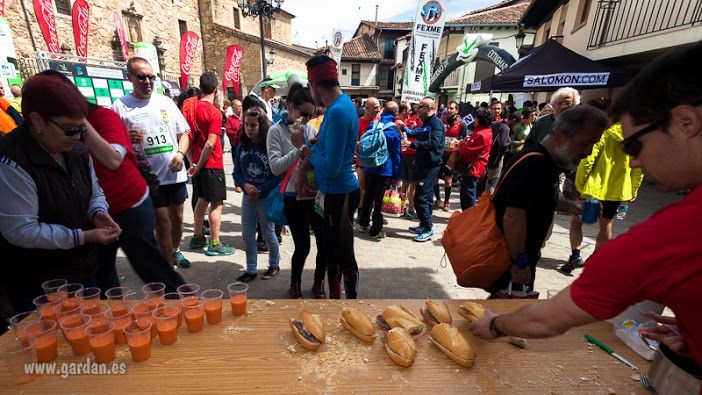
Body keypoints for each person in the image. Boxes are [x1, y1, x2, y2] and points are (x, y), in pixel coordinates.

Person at [471, 43, 702, 374]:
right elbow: (514, 214)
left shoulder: (676, 232)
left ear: (685, 123)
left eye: (635, 145)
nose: (634, 161)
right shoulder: (536, 161)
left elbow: (551, 318)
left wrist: (496, 327)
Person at [0, 74, 122, 312]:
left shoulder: (76, 149)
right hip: (38, 284)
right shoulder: (12, 161)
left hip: (83, 271)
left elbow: (94, 192)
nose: (77, 137)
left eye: (81, 129)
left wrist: (98, 212)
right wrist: (83, 237)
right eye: (69, 130)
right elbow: (21, 231)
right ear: (37, 121)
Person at [487, 105, 608, 295]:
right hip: (510, 257)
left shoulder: (548, 162)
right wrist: (519, 263)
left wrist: (571, 205)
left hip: (519, 256)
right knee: (505, 314)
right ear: (560, 137)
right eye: (586, 143)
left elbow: (536, 198)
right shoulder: (535, 163)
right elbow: (514, 216)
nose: (589, 152)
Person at [112, 57, 191, 268]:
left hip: (174, 172)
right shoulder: (120, 106)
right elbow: (113, 142)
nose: (147, 81)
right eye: (141, 77)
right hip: (147, 175)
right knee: (162, 222)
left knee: (178, 220)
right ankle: (167, 267)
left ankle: (174, 251)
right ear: (130, 77)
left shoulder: (165, 102)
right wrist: (127, 139)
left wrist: (181, 155)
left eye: (151, 77)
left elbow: (184, 133)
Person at [303, 55, 361, 299]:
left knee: (341, 255)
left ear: (315, 85)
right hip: (335, 192)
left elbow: (333, 167)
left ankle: (347, 306)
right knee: (331, 252)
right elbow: (332, 151)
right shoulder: (341, 106)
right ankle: (340, 304)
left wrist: (309, 153)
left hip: (339, 194)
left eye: (309, 86)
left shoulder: (337, 111)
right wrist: (318, 145)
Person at [559, 121, 644, 274]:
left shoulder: (604, 133)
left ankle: (575, 256)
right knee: (606, 224)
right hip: (617, 190)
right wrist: (633, 189)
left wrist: (580, 184)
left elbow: (588, 160)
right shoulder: (636, 136)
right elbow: (639, 167)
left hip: (592, 188)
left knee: (576, 221)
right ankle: (596, 260)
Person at [267, 82, 326, 299]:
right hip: (293, 196)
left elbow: (319, 161)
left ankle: (319, 282)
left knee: (324, 242)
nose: (306, 119)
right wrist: (300, 147)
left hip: (315, 193)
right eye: (303, 113)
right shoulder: (275, 131)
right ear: (291, 105)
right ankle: (295, 283)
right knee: (303, 245)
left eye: (310, 115)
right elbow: (275, 167)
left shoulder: (311, 128)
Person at [176, 73, 234, 256]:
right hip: (211, 163)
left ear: (200, 88)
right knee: (217, 203)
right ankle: (215, 243)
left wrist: (193, 163)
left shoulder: (191, 108)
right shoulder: (213, 112)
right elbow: (210, 143)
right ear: (216, 89)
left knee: (201, 200)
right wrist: (199, 165)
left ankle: (197, 236)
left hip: (198, 163)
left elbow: (187, 138)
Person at [233, 107, 281, 282]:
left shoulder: (269, 146)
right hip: (248, 197)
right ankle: (251, 269)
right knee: (247, 234)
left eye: (253, 125)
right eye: (246, 125)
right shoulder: (241, 147)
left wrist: (260, 191)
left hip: (264, 196)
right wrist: (244, 185)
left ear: (261, 126)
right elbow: (236, 173)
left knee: (268, 233)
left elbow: (277, 175)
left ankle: (274, 264)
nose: (249, 128)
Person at [400, 97, 445, 242]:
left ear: (430, 108)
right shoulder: (426, 122)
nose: (417, 109)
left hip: (430, 165)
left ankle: (427, 229)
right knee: (426, 195)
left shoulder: (436, 124)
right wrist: (404, 128)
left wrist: (412, 145)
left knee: (421, 197)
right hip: (422, 163)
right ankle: (424, 224)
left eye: (421, 106)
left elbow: (434, 143)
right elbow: (417, 133)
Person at [357, 101, 402, 239]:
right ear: (395, 113)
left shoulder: (374, 124)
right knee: (380, 200)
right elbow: (396, 154)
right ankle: (375, 230)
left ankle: (363, 223)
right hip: (385, 169)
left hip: (370, 166)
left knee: (368, 196)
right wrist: (396, 175)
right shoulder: (394, 129)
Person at [448, 107, 493, 210]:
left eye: (476, 118)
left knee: (468, 194)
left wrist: (460, 145)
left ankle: (468, 216)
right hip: (474, 166)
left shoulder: (482, 133)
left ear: (480, 119)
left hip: (473, 167)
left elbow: (467, 150)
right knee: (467, 191)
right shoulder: (484, 130)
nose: (475, 120)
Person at [434, 101, 466, 212]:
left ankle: (447, 202)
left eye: (452, 108)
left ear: (456, 110)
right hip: (439, 154)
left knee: (448, 180)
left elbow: (464, 139)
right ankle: (438, 200)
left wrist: (458, 141)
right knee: (435, 179)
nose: (449, 110)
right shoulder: (441, 121)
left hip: (451, 156)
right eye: (448, 108)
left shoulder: (461, 124)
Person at [356, 97, 382, 216]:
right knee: (362, 190)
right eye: (375, 107)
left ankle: (374, 214)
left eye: (379, 106)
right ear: (367, 108)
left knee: (375, 192)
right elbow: (353, 142)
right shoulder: (358, 122)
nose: (378, 109)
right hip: (362, 163)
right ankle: (362, 213)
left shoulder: (380, 121)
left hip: (378, 163)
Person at [225, 99, 243, 193]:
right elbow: (229, 132)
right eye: (237, 106)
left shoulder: (245, 117)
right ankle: (237, 184)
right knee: (237, 165)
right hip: (236, 146)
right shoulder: (230, 119)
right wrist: (239, 132)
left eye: (240, 106)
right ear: (233, 108)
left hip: (246, 145)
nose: (240, 108)